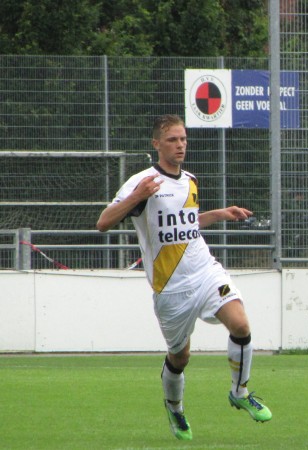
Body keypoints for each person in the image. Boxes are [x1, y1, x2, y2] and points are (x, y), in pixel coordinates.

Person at [96, 114, 272, 440]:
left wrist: (220, 214)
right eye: (173, 140)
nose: (180, 145)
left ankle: (240, 391)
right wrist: (137, 197)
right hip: (171, 288)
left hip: (204, 270)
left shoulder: (190, 180)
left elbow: (186, 225)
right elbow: (103, 222)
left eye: (183, 139)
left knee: (241, 324)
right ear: (156, 144)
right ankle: (174, 408)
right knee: (180, 357)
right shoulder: (142, 181)